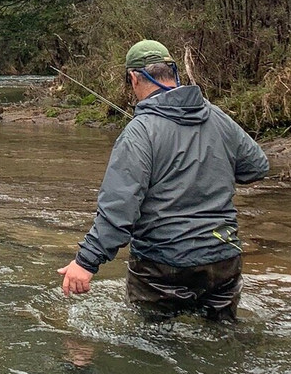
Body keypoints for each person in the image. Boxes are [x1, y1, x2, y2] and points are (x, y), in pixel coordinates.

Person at [56, 40, 269, 321]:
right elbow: (256, 167)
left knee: (152, 347)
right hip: (222, 260)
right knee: (221, 341)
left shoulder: (139, 132)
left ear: (133, 78)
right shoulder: (216, 117)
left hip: (162, 268)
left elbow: (119, 208)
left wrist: (85, 263)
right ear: (173, 73)